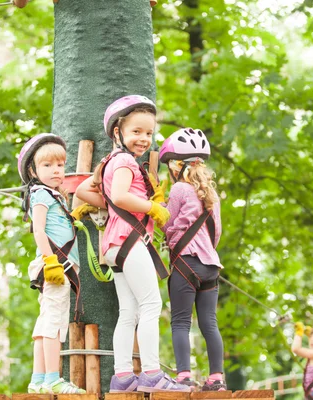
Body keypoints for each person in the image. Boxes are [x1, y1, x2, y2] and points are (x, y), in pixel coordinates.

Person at [75, 95, 189, 393]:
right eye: (136, 131)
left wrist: (109, 203)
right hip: (129, 239)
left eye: (149, 133)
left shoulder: (110, 161)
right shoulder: (125, 161)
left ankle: (123, 376)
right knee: (151, 304)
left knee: (129, 312)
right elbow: (123, 196)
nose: (144, 138)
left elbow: (87, 190)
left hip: (115, 244)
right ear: (117, 132)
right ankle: (151, 373)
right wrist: (151, 208)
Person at [158, 127, 226, 391]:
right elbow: (215, 232)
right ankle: (216, 378)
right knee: (209, 322)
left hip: (187, 263)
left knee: (181, 321)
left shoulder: (179, 190)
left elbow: (166, 222)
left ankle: (184, 376)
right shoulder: (211, 194)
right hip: (211, 266)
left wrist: (157, 210)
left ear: (177, 166)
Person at [18, 133, 86, 395]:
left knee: (45, 322)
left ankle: (38, 379)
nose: (56, 170)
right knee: (54, 324)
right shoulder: (41, 195)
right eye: (47, 165)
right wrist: (51, 262)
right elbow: (38, 230)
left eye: (60, 164)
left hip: (57, 264)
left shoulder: (52, 195)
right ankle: (52, 378)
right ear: (34, 171)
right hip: (55, 265)